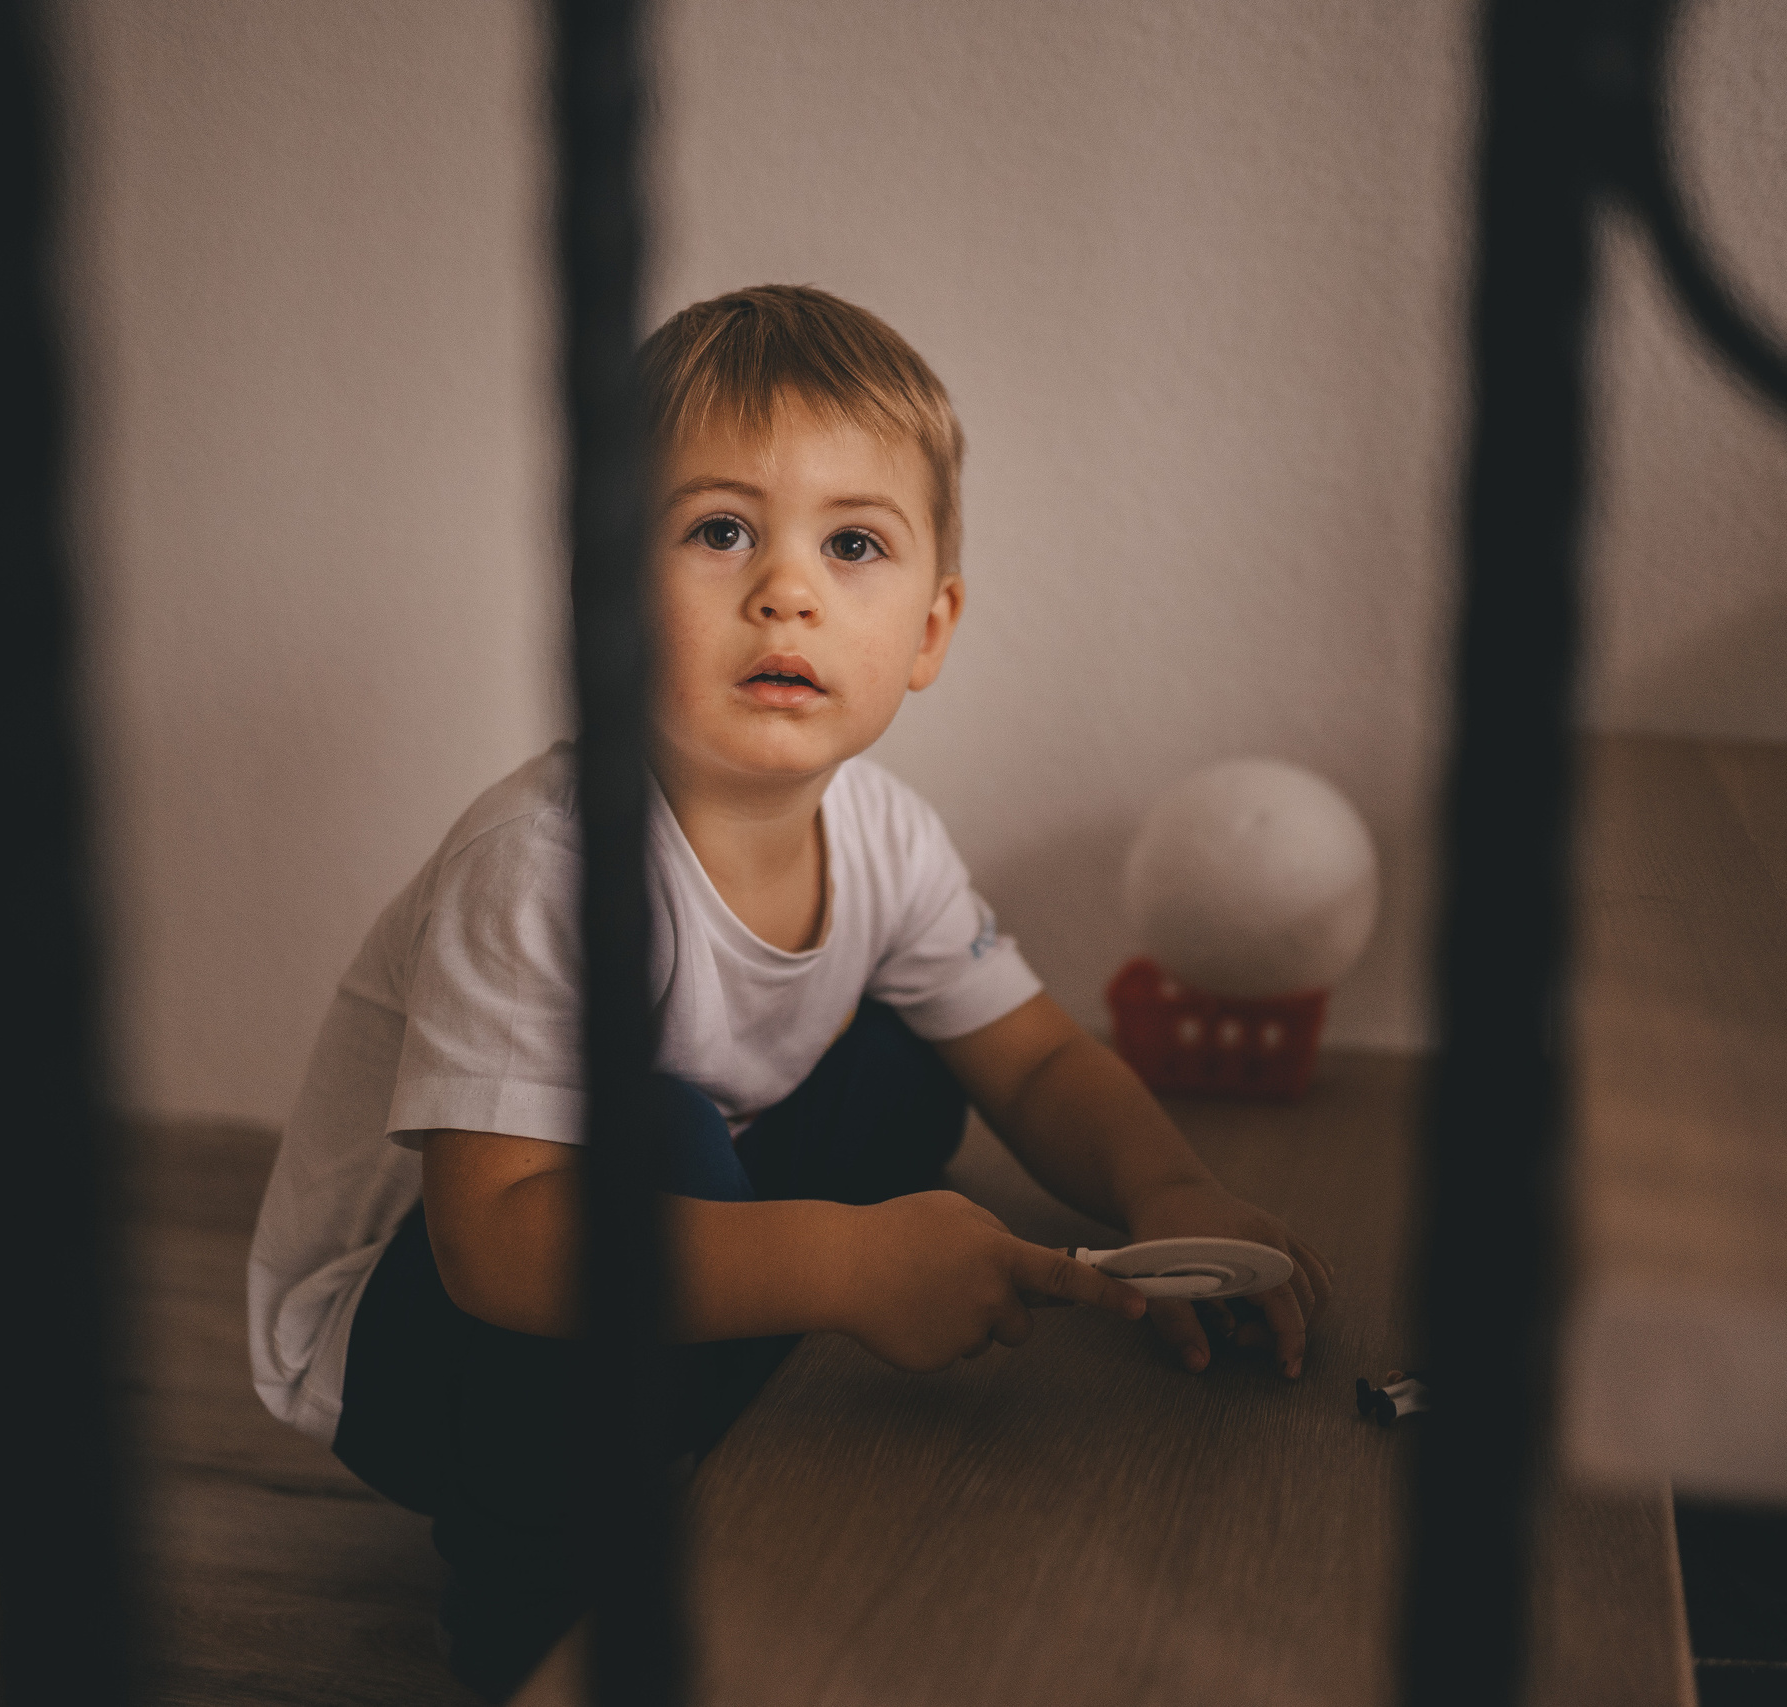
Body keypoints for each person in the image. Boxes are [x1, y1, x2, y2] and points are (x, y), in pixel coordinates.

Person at [245, 283, 1334, 1699]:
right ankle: (536, 1603)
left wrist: (1167, 1193)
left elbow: (1042, 1063)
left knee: (909, 1057)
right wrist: (843, 1265)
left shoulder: (885, 837)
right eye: (718, 532)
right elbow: (498, 1244)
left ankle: (708, 1390)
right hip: (433, 1343)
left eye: (856, 544)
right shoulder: (548, 866)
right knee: (660, 1137)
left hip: (653, 1218)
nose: (787, 587)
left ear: (931, 631)